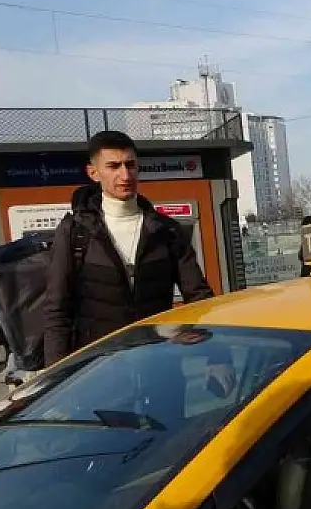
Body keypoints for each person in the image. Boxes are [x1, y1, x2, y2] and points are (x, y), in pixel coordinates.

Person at [43, 131, 214, 367]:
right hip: (98, 370)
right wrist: (55, 379)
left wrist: (215, 359)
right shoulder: (75, 232)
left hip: (159, 365)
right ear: (93, 173)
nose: (125, 175)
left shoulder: (166, 231)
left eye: (130, 165)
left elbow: (199, 298)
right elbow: (56, 310)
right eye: (113, 166)